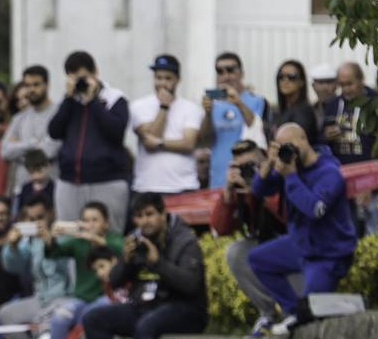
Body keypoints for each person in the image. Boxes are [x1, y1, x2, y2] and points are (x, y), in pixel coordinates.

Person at [82, 193, 207, 339]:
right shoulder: (136, 239)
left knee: (146, 325)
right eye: (139, 216)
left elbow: (191, 285)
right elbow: (116, 282)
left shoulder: (184, 240)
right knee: (93, 318)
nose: (145, 221)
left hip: (185, 309)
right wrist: (126, 261)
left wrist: (157, 262)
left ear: (163, 214)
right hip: (146, 306)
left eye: (150, 214)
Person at [246, 123, 356, 334]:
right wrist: (269, 163)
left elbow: (313, 209)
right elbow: (259, 190)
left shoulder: (329, 173)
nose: (288, 151)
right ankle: (293, 310)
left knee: (312, 310)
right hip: (301, 245)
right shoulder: (290, 167)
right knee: (258, 259)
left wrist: (290, 176)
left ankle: (317, 310)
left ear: (304, 140)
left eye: (290, 145)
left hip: (328, 254)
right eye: (282, 146)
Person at [39, 201, 126, 339]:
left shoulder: (113, 240)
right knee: (60, 317)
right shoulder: (78, 242)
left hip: (106, 297)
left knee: (92, 316)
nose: (90, 224)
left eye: (95, 220)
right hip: (80, 298)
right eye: (86, 220)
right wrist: (49, 239)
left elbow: (122, 249)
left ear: (105, 223)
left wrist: (97, 240)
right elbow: (54, 253)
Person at [0, 194, 74, 339]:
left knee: (43, 326)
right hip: (41, 298)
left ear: (50, 213)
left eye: (39, 217)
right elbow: (14, 266)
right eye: (30, 218)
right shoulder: (31, 240)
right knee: (7, 314)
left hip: (64, 298)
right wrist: (11, 246)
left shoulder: (62, 233)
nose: (35, 222)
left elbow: (70, 269)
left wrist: (50, 241)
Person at [211, 139, 293, 338]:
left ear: (266, 160)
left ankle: (291, 311)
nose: (247, 172)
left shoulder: (283, 171)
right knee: (236, 252)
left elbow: (289, 216)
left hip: (296, 247)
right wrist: (228, 193)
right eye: (241, 168)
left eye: (251, 166)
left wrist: (261, 187)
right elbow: (220, 229)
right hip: (268, 248)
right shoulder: (242, 190)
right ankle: (269, 313)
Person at [46, 50, 131, 225]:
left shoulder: (115, 98)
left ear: (95, 73)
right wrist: (68, 99)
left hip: (107, 181)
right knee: (68, 238)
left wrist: (93, 101)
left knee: (107, 240)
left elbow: (116, 132)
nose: (81, 82)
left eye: (83, 77)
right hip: (69, 181)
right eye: (74, 78)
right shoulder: (70, 101)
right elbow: (54, 131)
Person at [131, 54, 203, 202]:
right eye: (158, 78)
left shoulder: (191, 108)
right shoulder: (138, 106)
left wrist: (160, 144)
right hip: (147, 186)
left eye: (168, 78)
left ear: (178, 80)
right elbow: (149, 139)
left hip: (183, 186)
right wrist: (164, 107)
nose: (162, 83)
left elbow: (188, 144)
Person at [199, 51, 269, 188]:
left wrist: (238, 102)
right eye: (220, 71)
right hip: (219, 180)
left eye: (230, 70)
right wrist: (207, 113)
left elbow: (256, 128)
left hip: (248, 179)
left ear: (241, 73)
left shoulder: (257, 100)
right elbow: (205, 140)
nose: (225, 76)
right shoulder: (213, 103)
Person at [1, 64, 61, 196]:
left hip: (51, 190)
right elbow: (5, 151)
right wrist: (34, 143)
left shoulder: (59, 113)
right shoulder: (19, 118)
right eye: (28, 85)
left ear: (47, 85)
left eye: (36, 84)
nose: (32, 89)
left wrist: (18, 145)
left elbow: (49, 151)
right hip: (22, 190)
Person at [267, 59, 318, 143]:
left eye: (291, 77)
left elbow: (297, 144)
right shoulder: (281, 111)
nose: (285, 80)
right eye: (281, 77)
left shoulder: (304, 111)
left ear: (301, 82)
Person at [11, 149, 55, 219]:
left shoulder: (53, 187)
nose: (35, 176)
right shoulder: (26, 188)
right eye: (31, 172)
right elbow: (20, 210)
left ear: (47, 166)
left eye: (39, 171)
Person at [309, 63, 339, 136]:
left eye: (329, 82)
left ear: (336, 84)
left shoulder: (344, 107)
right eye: (321, 82)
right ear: (313, 86)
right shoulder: (310, 110)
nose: (325, 87)